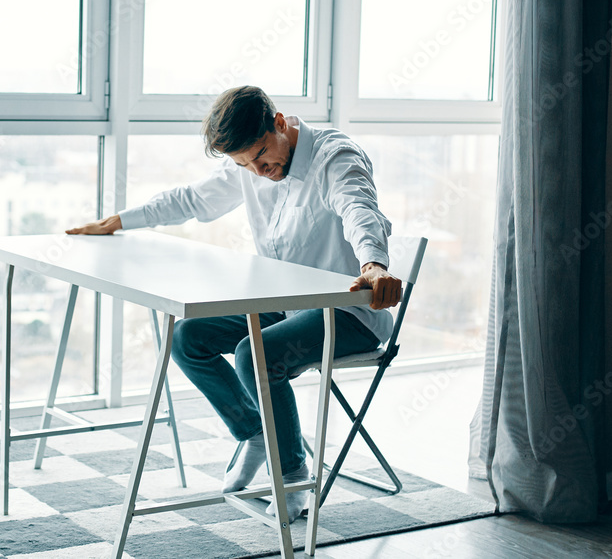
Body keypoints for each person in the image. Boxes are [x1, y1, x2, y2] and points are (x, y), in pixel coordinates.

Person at [66, 85, 402, 523]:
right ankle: (256, 432)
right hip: (288, 306)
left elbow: (359, 207)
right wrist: (121, 220)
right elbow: (193, 199)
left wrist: (374, 263)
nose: (259, 171)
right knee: (189, 337)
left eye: (262, 155)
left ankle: (293, 473)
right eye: (246, 164)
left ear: (279, 123)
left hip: (350, 313)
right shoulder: (250, 166)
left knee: (256, 355)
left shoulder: (334, 156)